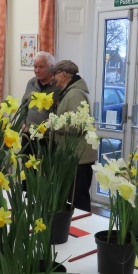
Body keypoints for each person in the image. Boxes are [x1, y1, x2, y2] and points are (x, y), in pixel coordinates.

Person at [48, 60, 98, 212]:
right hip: (73, 157)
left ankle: (83, 230)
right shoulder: (69, 93)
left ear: (64, 75)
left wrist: (54, 124)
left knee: (78, 199)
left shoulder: (75, 94)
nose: (52, 78)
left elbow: (79, 125)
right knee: (73, 198)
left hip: (78, 159)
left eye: (54, 74)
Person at [22, 51, 60, 127]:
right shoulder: (31, 83)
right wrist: (22, 123)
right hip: (28, 133)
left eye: (41, 67)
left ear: (51, 67)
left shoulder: (58, 86)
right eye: (35, 67)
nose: (37, 70)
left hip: (47, 136)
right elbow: (23, 106)